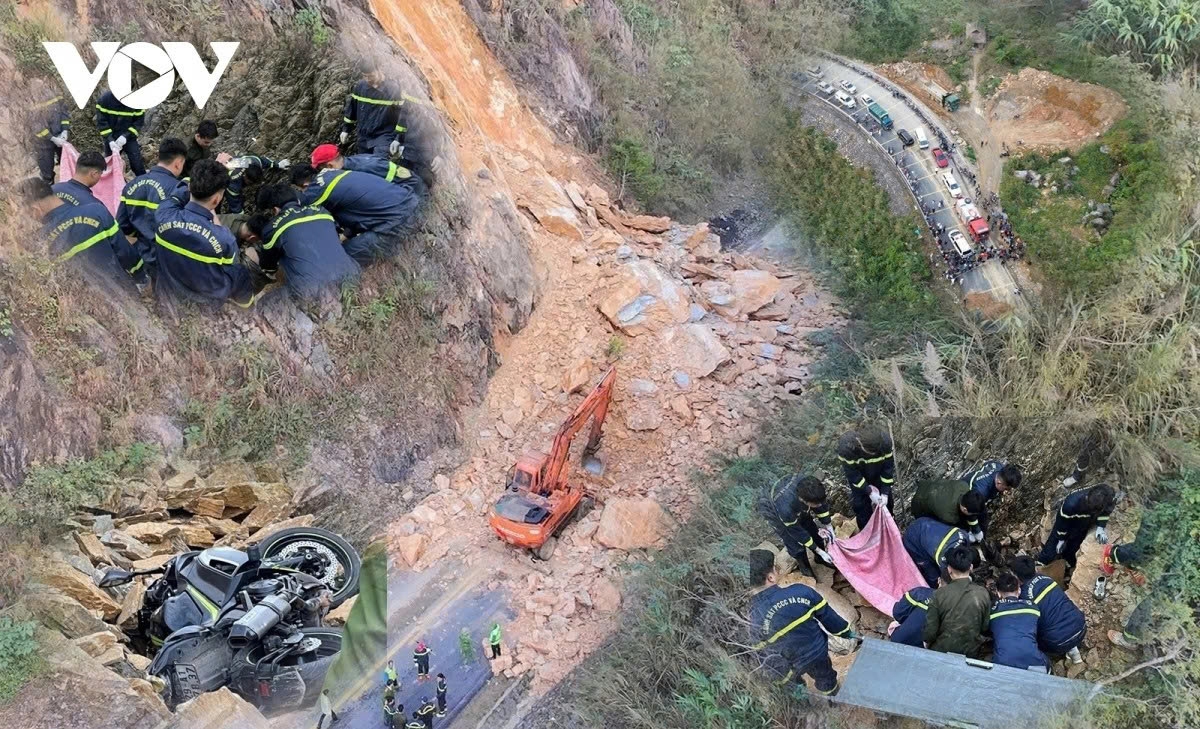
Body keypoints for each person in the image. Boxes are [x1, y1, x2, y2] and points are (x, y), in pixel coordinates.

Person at [748, 548, 855, 696]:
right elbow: (829, 617)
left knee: (795, 685)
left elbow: (762, 652)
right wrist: (845, 632)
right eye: (775, 568)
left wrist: (782, 678)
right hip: (817, 652)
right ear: (771, 577)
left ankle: (802, 698)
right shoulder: (802, 592)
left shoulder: (752, 618)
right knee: (825, 676)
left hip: (791, 663)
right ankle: (832, 696)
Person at [153, 159, 258, 307]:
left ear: (190, 187)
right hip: (205, 301)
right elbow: (228, 268)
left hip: (169, 288)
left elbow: (179, 191)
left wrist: (204, 174)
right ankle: (246, 307)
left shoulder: (163, 214)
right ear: (216, 200)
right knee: (240, 272)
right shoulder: (225, 239)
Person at [22, 177, 148, 289]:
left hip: (85, 303)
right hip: (121, 291)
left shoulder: (41, 242)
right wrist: (140, 277)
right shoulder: (97, 211)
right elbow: (125, 252)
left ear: (35, 209)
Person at [249, 184, 361, 298]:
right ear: (297, 200)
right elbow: (336, 237)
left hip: (314, 289)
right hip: (351, 275)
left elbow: (268, 267)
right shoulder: (322, 211)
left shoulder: (272, 229)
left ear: (275, 209)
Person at [300, 167, 422, 264]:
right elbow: (359, 211)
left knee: (342, 256)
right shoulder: (338, 173)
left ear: (305, 185)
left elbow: (305, 209)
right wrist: (345, 235)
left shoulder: (316, 191)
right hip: (413, 201)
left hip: (400, 221)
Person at [117, 137, 189, 268]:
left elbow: (122, 227)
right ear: (178, 163)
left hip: (137, 258)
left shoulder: (132, 185)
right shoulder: (178, 189)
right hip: (166, 261)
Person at [1010, 556, 1086, 663]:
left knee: (1033, 635)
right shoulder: (1046, 578)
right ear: (1034, 569)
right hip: (1081, 626)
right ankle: (1073, 650)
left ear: (1016, 576)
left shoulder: (1023, 596)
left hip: (1058, 642)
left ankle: (1057, 655)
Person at [758, 474, 834, 577]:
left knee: (812, 530)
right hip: (774, 512)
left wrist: (829, 526)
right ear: (804, 500)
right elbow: (797, 532)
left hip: (795, 504)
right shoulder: (785, 509)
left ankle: (820, 559)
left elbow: (820, 505)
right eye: (816, 504)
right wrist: (819, 550)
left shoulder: (810, 486)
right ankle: (805, 567)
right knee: (794, 543)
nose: (819, 505)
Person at [922, 546, 990, 656]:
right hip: (971, 652)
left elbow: (930, 633)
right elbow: (984, 627)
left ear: (949, 569)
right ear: (971, 567)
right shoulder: (983, 593)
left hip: (941, 651)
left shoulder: (939, 594)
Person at [1036, 484, 1116, 569]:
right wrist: (1061, 539)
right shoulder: (1071, 504)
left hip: (1084, 524)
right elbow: (1061, 523)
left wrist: (1101, 527)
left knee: (1074, 545)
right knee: (1053, 544)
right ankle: (1041, 563)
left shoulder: (1107, 495)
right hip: (1070, 520)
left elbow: (1106, 511)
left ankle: (1069, 561)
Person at [836, 426, 896, 529]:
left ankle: (889, 527)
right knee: (861, 506)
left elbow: (888, 468)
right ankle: (866, 530)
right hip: (859, 478)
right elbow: (853, 475)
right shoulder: (847, 449)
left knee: (887, 504)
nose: (873, 454)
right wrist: (868, 490)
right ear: (860, 443)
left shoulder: (884, 443)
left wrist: (885, 492)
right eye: (870, 452)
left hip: (878, 474)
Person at [341, 63, 406, 157]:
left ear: (380, 70)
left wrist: (399, 139)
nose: (368, 79)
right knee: (364, 163)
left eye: (371, 76)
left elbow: (403, 115)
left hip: (384, 136)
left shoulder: (393, 89)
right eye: (365, 76)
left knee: (378, 162)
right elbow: (352, 109)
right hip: (363, 137)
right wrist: (346, 129)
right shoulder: (360, 87)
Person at [989, 571, 1048, 672]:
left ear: (998, 593)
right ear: (1019, 590)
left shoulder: (993, 612)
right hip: (1034, 661)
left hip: (1002, 662)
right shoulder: (1032, 607)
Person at [960, 460, 1022, 539]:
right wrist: (976, 531)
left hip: (973, 493)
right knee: (966, 525)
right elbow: (970, 511)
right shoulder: (982, 491)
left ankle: (983, 538)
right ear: (999, 483)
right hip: (964, 500)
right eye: (1006, 489)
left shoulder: (998, 466)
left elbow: (986, 464)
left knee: (984, 520)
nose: (1007, 491)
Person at [902, 516, 969, 588]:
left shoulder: (964, 535)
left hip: (927, 525)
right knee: (932, 573)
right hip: (913, 541)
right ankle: (934, 587)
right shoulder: (943, 561)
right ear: (950, 570)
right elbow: (945, 580)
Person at [909, 479, 986, 540]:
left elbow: (970, 512)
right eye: (971, 513)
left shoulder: (964, 486)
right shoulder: (949, 516)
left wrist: (976, 530)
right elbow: (952, 529)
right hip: (920, 504)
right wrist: (965, 535)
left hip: (929, 485)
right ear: (965, 509)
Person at [95, 88, 146, 175]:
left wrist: (126, 136)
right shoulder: (105, 100)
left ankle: (143, 180)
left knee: (137, 163)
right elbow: (102, 122)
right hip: (111, 138)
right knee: (109, 166)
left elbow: (138, 123)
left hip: (129, 138)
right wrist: (110, 140)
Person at [224, 154, 290, 214]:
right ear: (245, 176)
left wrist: (277, 164)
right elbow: (234, 203)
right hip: (220, 176)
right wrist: (241, 215)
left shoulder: (254, 161)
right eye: (251, 183)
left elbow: (264, 161)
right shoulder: (233, 184)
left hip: (230, 162)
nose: (253, 185)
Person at [31, 89, 70, 183]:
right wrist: (52, 138)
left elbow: (64, 111)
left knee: (68, 167)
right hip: (42, 142)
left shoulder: (56, 91)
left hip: (60, 135)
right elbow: (36, 124)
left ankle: (67, 188)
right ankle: (49, 186)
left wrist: (65, 130)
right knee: (47, 173)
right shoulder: (30, 98)